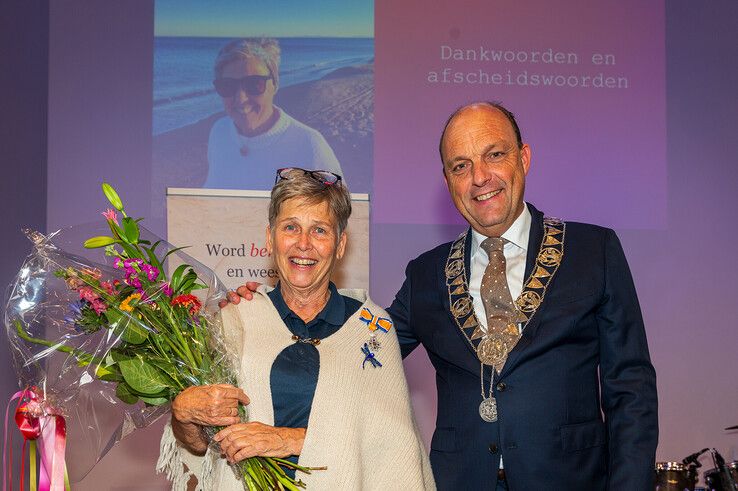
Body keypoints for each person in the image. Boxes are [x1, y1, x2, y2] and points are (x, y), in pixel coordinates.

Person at [232, 102, 658, 490]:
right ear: (447, 180)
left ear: (523, 158)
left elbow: (631, 390)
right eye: (460, 165)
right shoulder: (426, 275)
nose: (479, 178)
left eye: (495, 155)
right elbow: (353, 352)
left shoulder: (593, 251)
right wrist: (269, 316)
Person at [158, 168, 434, 490]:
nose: (303, 244)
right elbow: (200, 445)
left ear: (340, 244)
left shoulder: (372, 330)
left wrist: (288, 440)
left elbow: (391, 449)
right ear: (270, 238)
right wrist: (183, 414)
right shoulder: (235, 319)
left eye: (319, 230)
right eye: (291, 227)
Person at [203, 38, 343, 190]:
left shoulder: (309, 145)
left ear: (275, 85)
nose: (241, 98)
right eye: (228, 86)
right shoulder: (219, 131)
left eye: (254, 84)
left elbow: (338, 210)